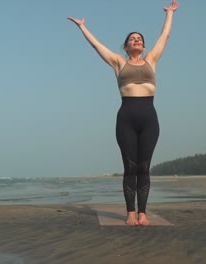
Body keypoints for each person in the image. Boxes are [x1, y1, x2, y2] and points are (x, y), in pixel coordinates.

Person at [68, 0, 179, 225]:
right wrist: (82, 27)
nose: (136, 40)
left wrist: (169, 14)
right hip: (126, 118)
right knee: (130, 167)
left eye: (139, 39)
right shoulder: (119, 63)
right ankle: (130, 213)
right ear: (126, 47)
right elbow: (97, 47)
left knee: (144, 167)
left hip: (149, 118)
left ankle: (143, 213)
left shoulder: (152, 60)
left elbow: (164, 36)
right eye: (132, 39)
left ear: (144, 46)